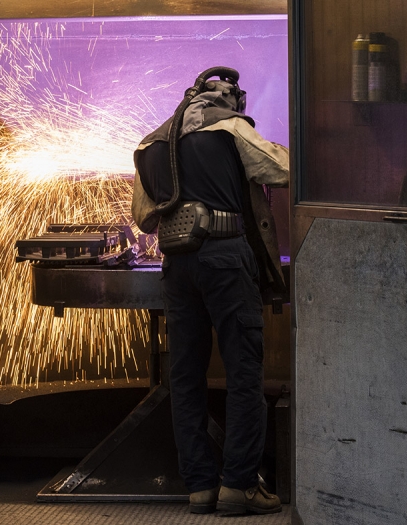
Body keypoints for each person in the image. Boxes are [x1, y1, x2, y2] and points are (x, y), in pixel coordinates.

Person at [131, 70, 289, 515]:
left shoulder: (151, 145)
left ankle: (199, 487)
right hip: (225, 258)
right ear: (228, 100)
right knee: (243, 373)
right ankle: (239, 486)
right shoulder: (231, 128)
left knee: (184, 375)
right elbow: (280, 169)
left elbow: (144, 216)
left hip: (178, 267)